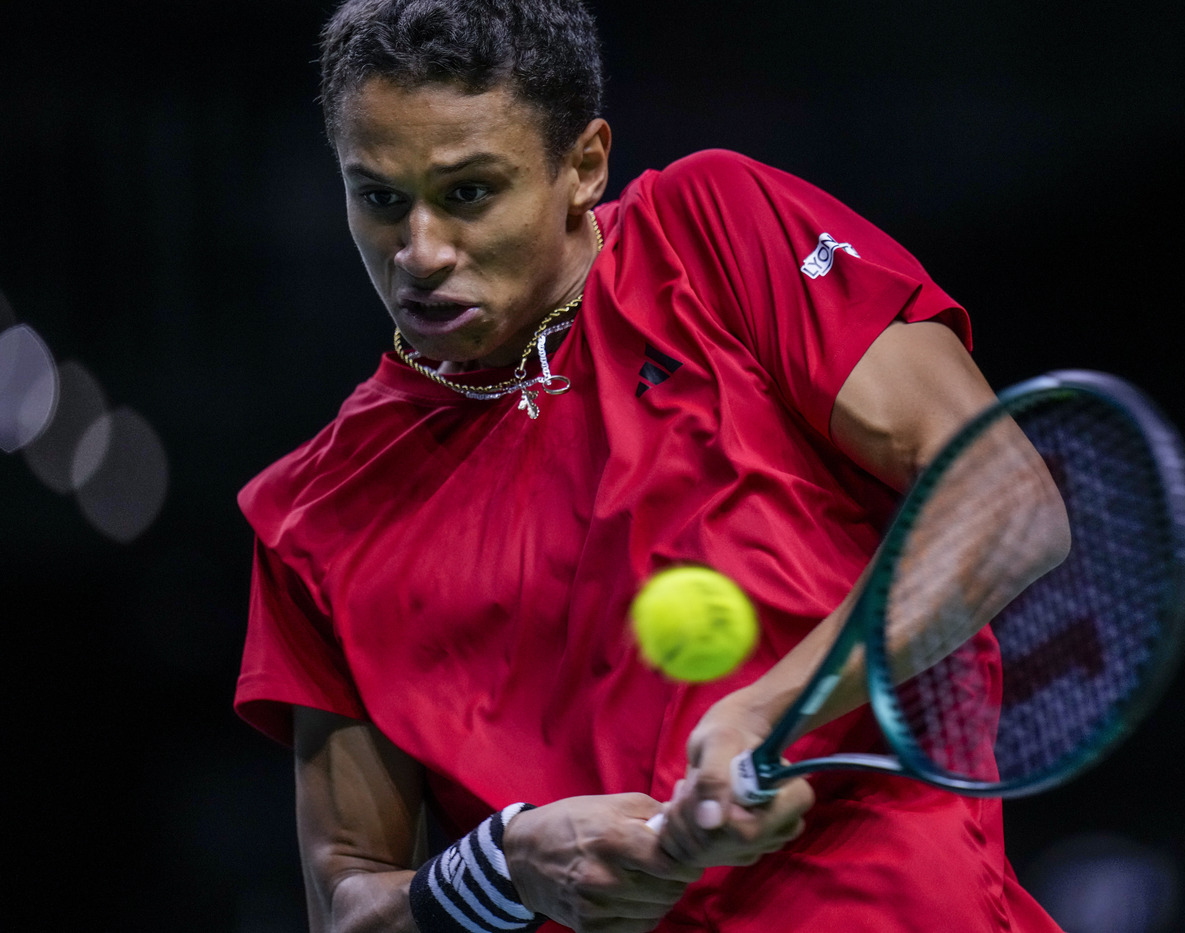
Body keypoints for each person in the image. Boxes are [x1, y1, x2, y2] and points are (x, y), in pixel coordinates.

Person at [234, 1, 1069, 931]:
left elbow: (1005, 498)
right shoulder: (315, 514)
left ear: (584, 166)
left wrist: (768, 711)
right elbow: (347, 906)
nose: (420, 253)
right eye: (382, 198)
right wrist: (505, 865)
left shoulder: (712, 234)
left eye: (469, 192)